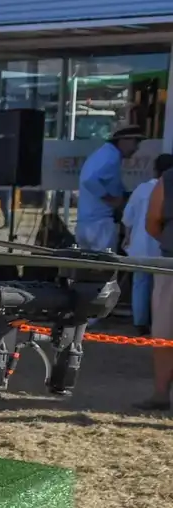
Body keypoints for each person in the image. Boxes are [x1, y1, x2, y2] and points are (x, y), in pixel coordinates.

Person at [122, 153, 173, 334]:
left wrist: (127, 238)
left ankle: (140, 322)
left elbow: (127, 219)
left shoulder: (141, 189)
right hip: (163, 247)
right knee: (159, 289)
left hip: (142, 244)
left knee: (141, 284)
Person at [139, 162, 173, 410]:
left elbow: (153, 222)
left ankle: (161, 393)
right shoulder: (169, 180)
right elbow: (152, 221)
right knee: (164, 331)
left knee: (165, 329)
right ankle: (161, 393)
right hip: (171, 265)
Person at [77, 125, 143, 253]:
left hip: (87, 223)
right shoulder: (110, 157)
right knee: (104, 268)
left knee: (89, 267)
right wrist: (112, 200)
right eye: (135, 142)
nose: (136, 148)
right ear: (123, 140)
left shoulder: (103, 154)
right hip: (100, 224)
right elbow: (89, 180)